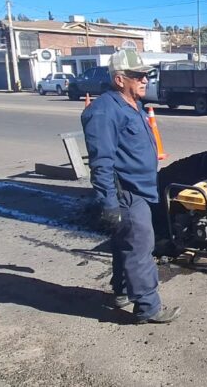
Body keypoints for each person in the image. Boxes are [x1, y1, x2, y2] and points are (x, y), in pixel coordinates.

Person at [81, 49, 181, 324]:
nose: (144, 79)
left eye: (145, 74)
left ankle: (122, 292)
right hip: (126, 192)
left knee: (124, 243)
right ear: (119, 79)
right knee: (140, 248)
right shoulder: (104, 111)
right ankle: (148, 308)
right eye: (137, 75)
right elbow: (101, 161)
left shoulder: (131, 104)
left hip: (138, 189)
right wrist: (109, 203)